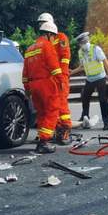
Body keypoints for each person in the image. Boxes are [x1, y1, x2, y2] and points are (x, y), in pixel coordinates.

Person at [22, 21, 63, 153]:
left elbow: (25, 73)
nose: (54, 40)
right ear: (49, 34)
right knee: (52, 110)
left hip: (33, 85)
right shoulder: (47, 46)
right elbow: (55, 68)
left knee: (41, 113)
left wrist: (27, 89)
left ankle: (42, 138)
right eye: (53, 37)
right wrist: (61, 82)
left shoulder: (29, 49)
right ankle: (44, 142)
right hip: (46, 83)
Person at [37, 12, 72, 145]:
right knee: (51, 106)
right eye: (40, 24)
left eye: (43, 23)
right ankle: (55, 130)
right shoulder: (44, 41)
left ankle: (65, 130)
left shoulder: (60, 37)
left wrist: (62, 76)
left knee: (61, 103)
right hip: (50, 78)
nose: (41, 26)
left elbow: (65, 57)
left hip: (59, 75)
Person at [71, 32, 108, 130]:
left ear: (86, 41)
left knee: (102, 99)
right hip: (90, 79)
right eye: (80, 43)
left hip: (100, 77)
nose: (81, 45)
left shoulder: (95, 49)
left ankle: (106, 122)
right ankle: (85, 118)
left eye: (83, 43)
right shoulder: (80, 52)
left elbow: (105, 61)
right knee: (85, 97)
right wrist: (71, 72)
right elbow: (82, 66)